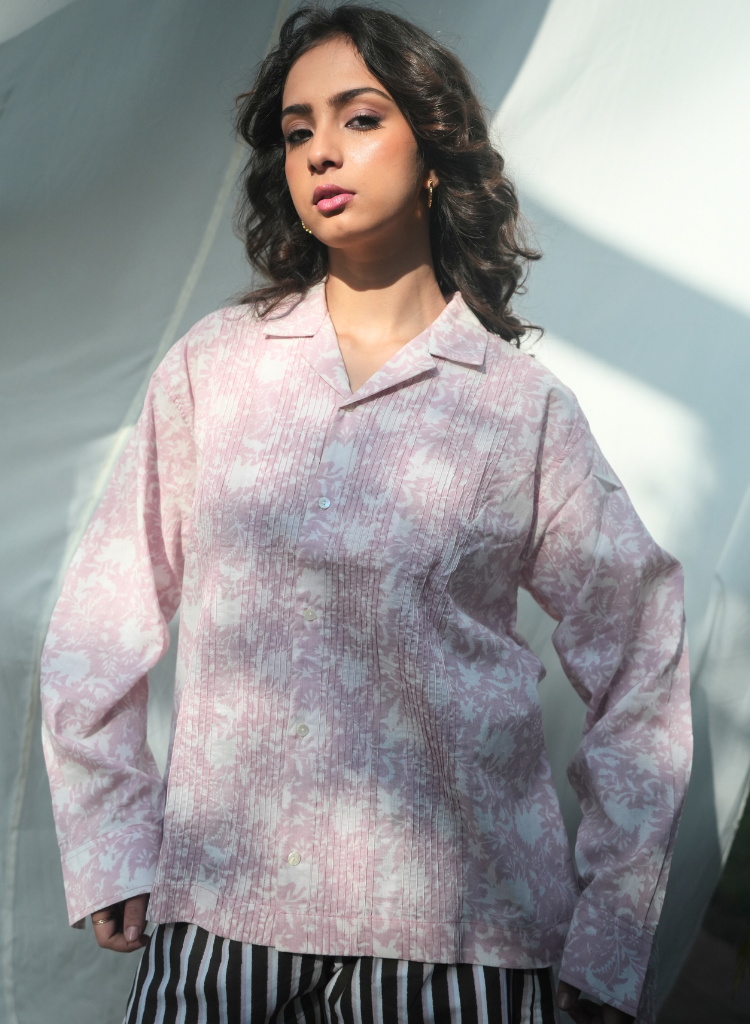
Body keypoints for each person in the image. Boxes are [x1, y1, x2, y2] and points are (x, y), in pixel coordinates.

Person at [40, 5, 692, 1023]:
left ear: (433, 149)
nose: (320, 151)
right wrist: (111, 831)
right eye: (298, 129)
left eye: (359, 117)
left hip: (463, 942)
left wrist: (615, 924)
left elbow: (642, 649)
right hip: (220, 922)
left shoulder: (519, 410)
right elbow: (100, 614)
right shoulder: (217, 369)